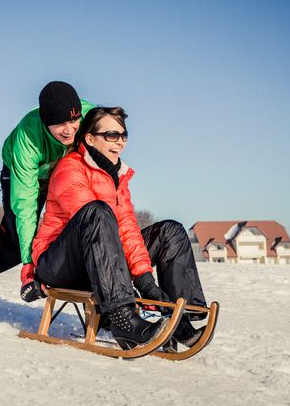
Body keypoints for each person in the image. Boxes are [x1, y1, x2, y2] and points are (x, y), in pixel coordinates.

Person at [30, 106, 207, 349]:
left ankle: (179, 316)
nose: (120, 142)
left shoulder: (117, 176)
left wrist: (145, 280)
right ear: (90, 139)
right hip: (61, 263)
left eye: (123, 135)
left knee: (170, 231)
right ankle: (123, 318)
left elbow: (127, 229)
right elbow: (96, 229)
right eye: (112, 135)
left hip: (101, 256)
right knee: (97, 212)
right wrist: (136, 289)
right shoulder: (69, 169)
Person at [0, 81, 95, 301]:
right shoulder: (28, 139)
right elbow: (25, 205)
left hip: (62, 171)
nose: (70, 129)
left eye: (73, 120)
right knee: (20, 241)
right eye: (61, 124)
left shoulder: (91, 116)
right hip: (23, 174)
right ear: (45, 122)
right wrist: (28, 265)